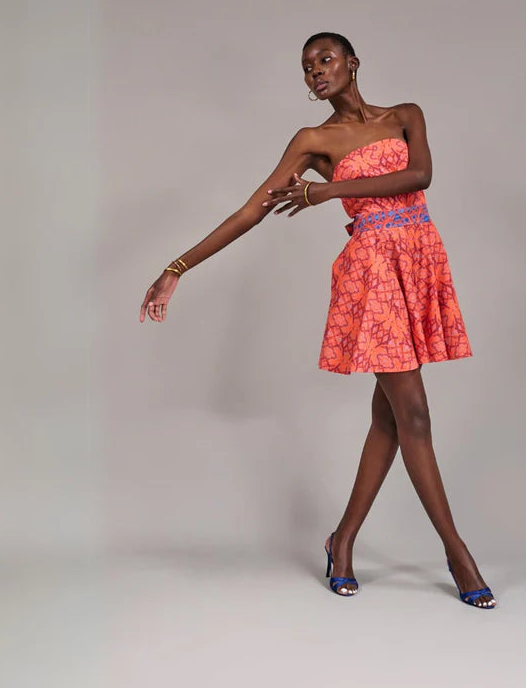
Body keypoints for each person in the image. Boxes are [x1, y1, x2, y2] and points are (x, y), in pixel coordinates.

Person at [139, 32, 496, 609]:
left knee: (389, 420)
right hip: (372, 272)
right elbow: (251, 210)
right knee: (414, 414)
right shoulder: (313, 140)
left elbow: (419, 177)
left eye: (324, 60)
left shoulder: (406, 115)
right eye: (307, 68)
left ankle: (342, 540)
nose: (315, 72)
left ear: (352, 62)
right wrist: (176, 267)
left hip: (419, 258)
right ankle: (458, 553)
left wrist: (327, 192)